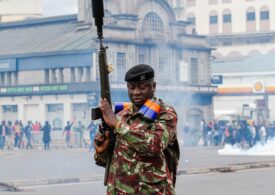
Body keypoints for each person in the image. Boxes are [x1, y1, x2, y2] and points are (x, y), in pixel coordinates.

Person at [94, 64, 180, 194]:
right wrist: (101, 151)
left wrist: (117, 125)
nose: (136, 92)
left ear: (154, 87)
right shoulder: (121, 114)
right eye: (131, 87)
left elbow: (155, 145)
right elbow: (108, 162)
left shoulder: (165, 113)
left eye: (142, 87)